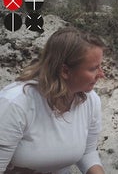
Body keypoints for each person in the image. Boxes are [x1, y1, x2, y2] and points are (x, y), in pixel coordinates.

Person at [0, 27, 106, 174]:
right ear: (65, 71)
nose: (102, 74)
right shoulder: (15, 103)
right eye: (94, 68)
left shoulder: (90, 100)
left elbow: (88, 152)